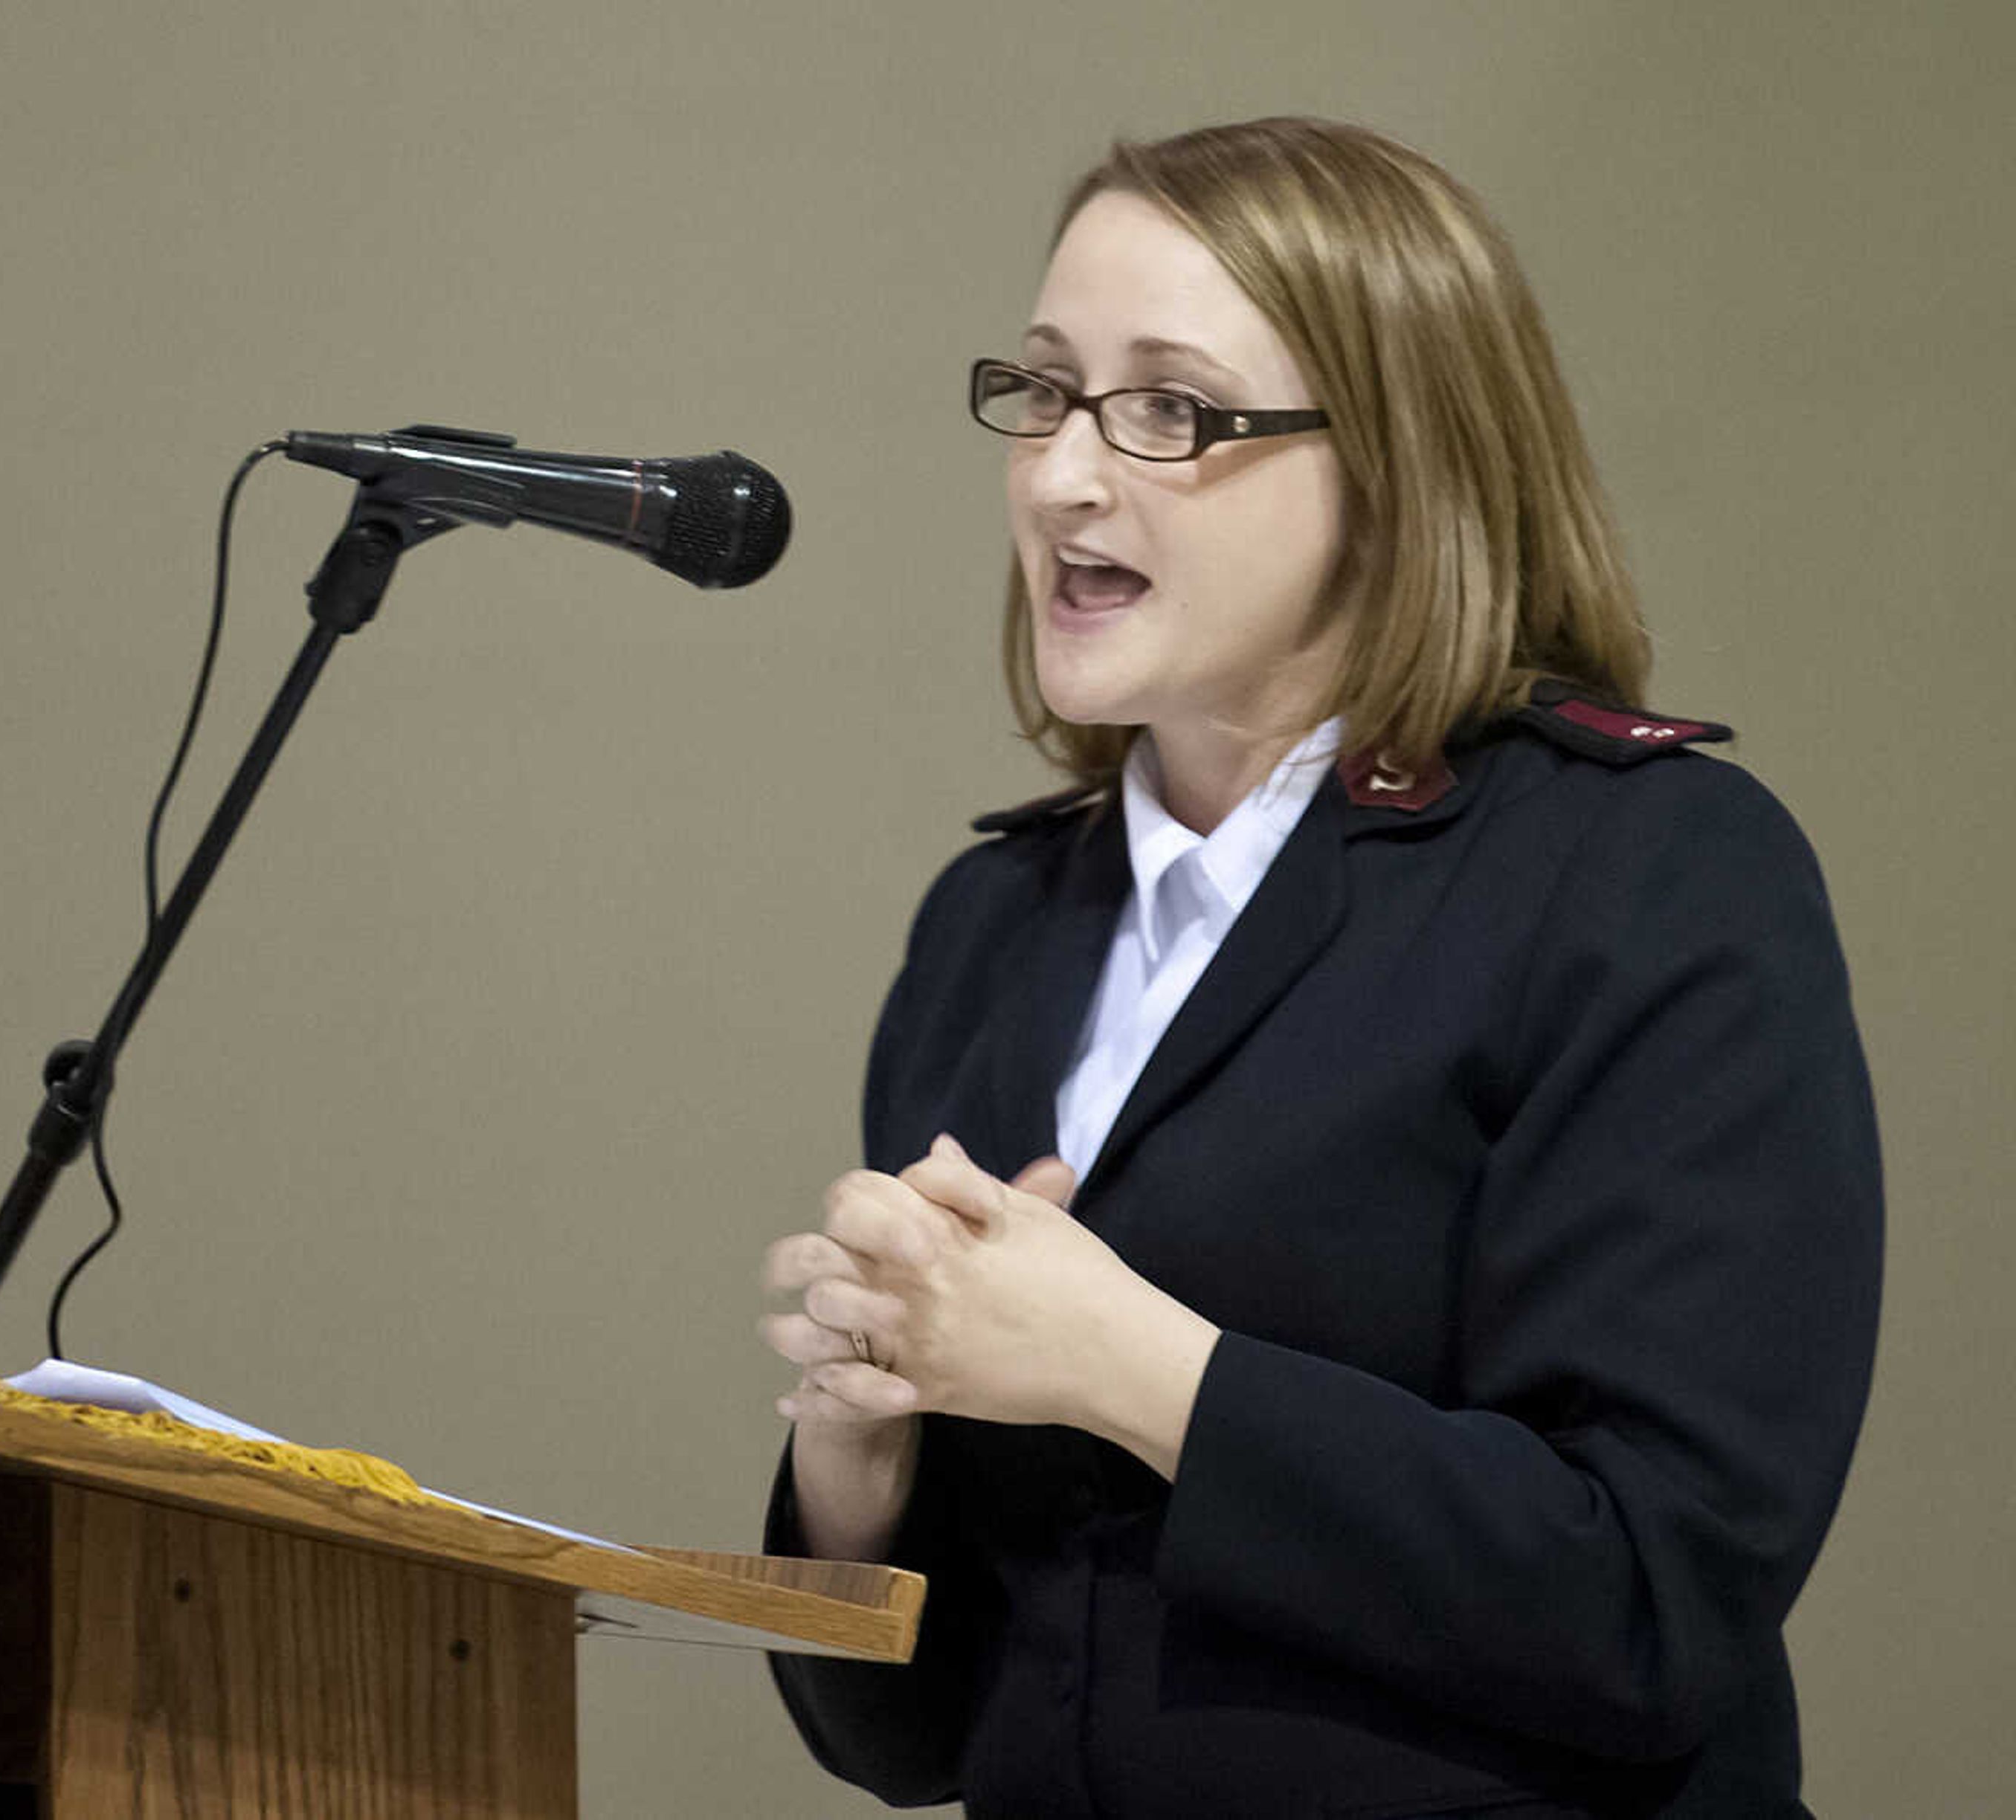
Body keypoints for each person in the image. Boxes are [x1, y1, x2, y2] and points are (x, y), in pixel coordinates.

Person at [757, 117, 1879, 1819]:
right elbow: (914, 1742)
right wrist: (858, 1460)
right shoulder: (996, 922)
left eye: (1168, 410)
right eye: (1047, 391)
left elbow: (1653, 1603)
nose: (1064, 474)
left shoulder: (1647, 873)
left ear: (1401, 464)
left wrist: (1129, 1364)